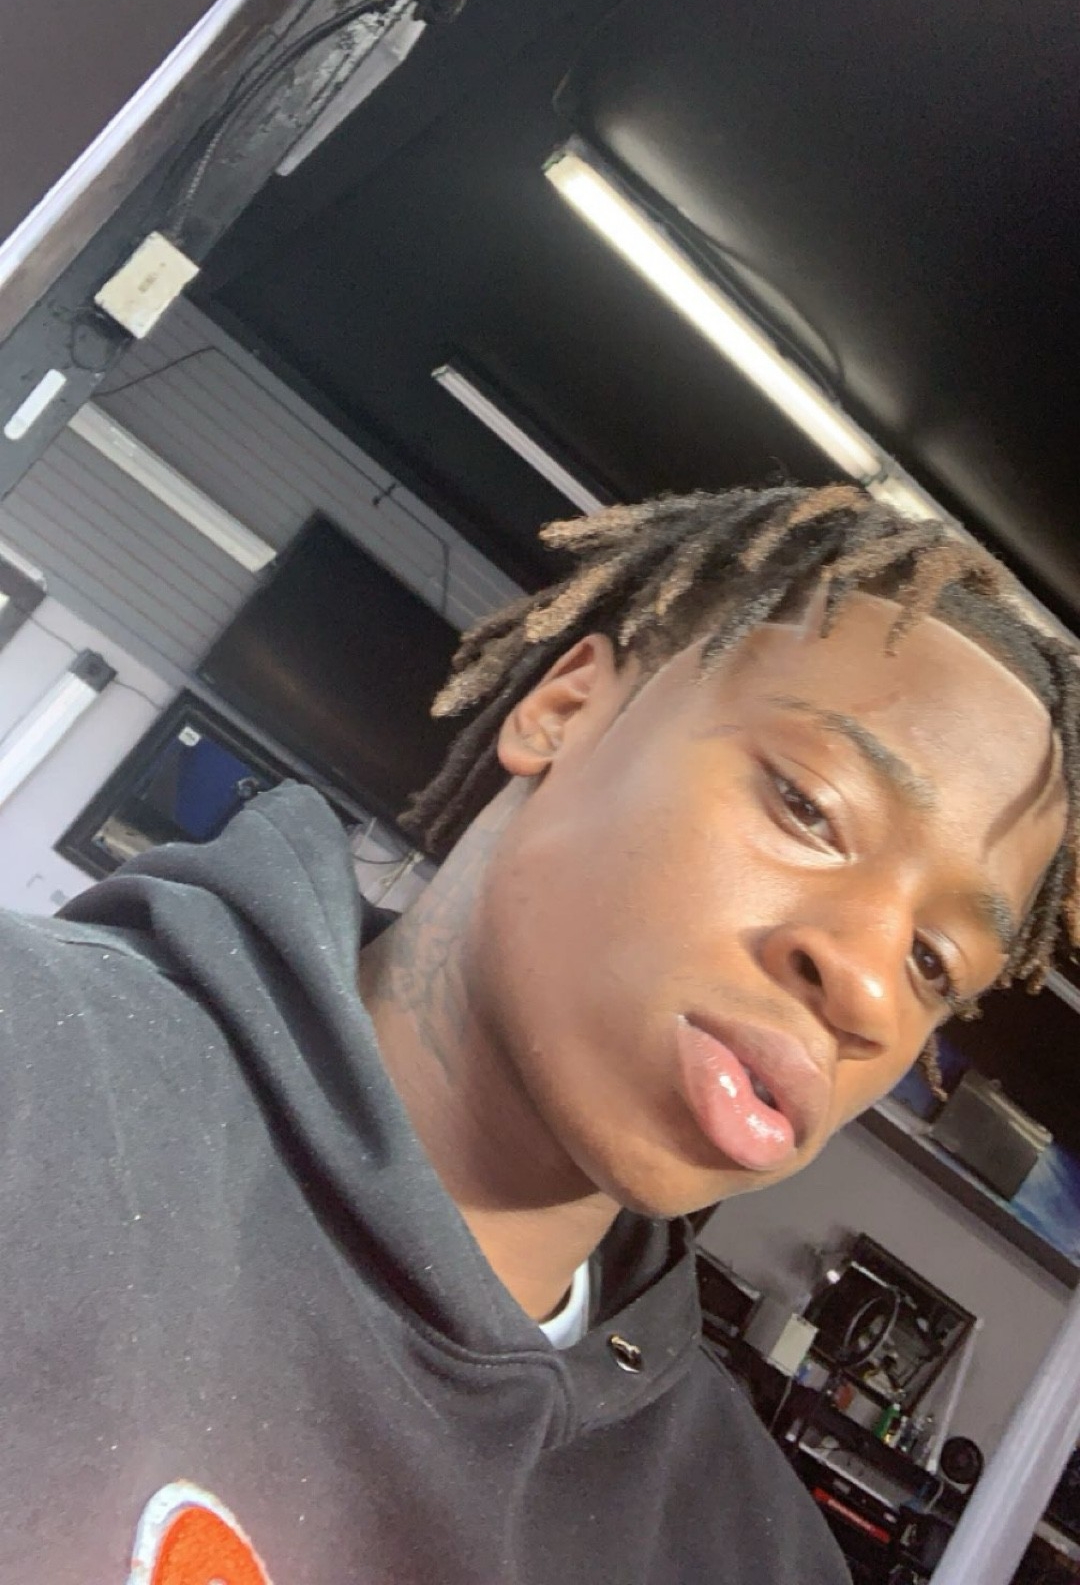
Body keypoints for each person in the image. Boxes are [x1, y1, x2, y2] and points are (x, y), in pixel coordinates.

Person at [1, 484, 1075, 1585]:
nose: (867, 989)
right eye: (809, 805)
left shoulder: (754, 1556)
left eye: (934, 964)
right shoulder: (32, 1075)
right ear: (565, 710)